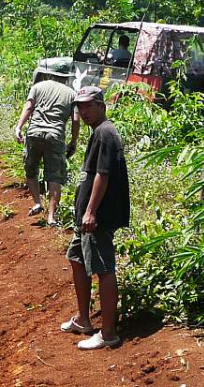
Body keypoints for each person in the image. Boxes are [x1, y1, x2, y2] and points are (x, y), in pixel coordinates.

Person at [61, 86, 130, 350]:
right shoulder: (99, 133)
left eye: (88, 105)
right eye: (79, 106)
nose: (83, 111)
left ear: (101, 105)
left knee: (103, 268)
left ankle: (108, 333)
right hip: (87, 217)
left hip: (97, 217)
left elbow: (103, 174)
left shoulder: (105, 133)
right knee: (76, 257)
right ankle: (83, 319)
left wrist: (90, 211)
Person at [14, 75, 79, 226]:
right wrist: (73, 141)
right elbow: (76, 120)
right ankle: (51, 217)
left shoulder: (38, 87)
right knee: (54, 177)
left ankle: (37, 202)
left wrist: (19, 127)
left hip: (34, 133)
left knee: (31, 170)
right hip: (55, 136)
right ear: (66, 77)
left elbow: (29, 107)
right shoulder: (71, 94)